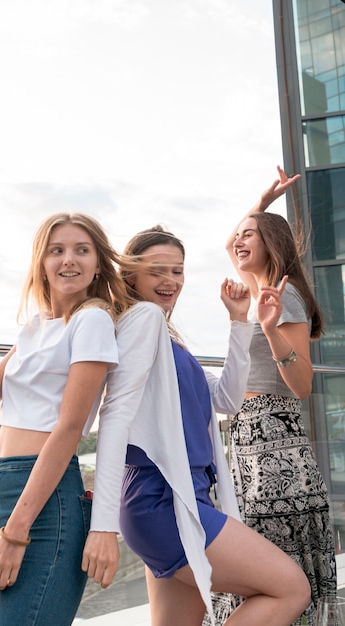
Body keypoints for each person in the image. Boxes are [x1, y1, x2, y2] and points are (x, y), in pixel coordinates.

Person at [82, 225, 310, 626]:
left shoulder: (165, 338)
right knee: (290, 588)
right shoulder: (145, 319)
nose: (170, 281)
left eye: (178, 271)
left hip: (178, 498)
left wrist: (240, 322)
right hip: (162, 498)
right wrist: (102, 528)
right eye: (158, 271)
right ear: (130, 275)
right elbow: (113, 417)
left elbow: (225, 399)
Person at [0, 213, 134, 626]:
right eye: (57, 250)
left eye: (81, 250)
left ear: (97, 265)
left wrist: (16, 534)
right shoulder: (35, 327)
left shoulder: (92, 321)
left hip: (43, 497)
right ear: (43, 263)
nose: (68, 259)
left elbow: (69, 429)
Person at [207, 166, 337, 626]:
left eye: (250, 236)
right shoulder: (255, 287)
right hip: (244, 431)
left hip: (274, 438)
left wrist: (268, 328)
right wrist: (260, 203)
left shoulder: (287, 298)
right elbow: (230, 241)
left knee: (270, 548)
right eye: (239, 235)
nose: (237, 243)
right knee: (251, 541)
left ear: (271, 245)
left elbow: (301, 385)